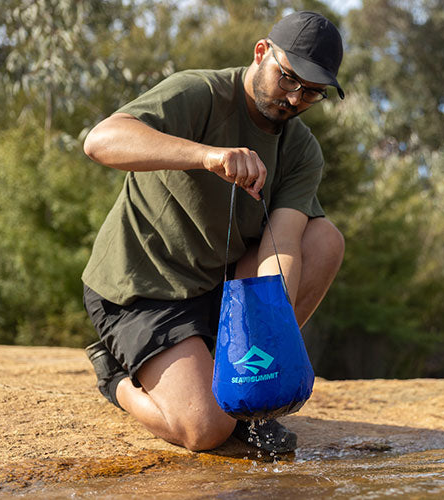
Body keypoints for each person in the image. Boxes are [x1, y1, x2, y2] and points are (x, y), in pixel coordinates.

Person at [80, 11, 346, 454]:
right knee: (205, 430)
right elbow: (101, 141)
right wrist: (207, 156)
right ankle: (116, 379)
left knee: (325, 240)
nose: (295, 99)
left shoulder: (301, 150)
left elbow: (283, 244)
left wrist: (267, 340)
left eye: (312, 93)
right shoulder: (199, 92)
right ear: (261, 52)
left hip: (216, 292)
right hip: (142, 289)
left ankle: (240, 393)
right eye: (288, 79)